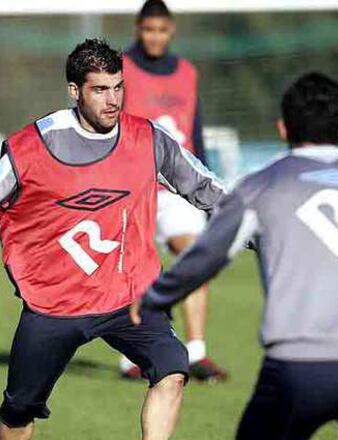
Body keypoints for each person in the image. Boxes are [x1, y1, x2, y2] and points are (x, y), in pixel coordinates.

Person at [0, 39, 224, 440]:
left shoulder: (146, 138)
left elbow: (202, 186)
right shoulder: (33, 145)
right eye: (99, 90)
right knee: (18, 410)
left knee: (174, 368)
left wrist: (254, 225)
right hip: (54, 303)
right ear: (75, 91)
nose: (113, 100)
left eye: (119, 88)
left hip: (127, 295)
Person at [130, 72, 338, 440]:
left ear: (281, 128)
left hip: (296, 365)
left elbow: (206, 255)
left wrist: (155, 298)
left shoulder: (263, 185)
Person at [121, 0, 228, 382]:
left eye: (161, 29)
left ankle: (197, 352)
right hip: (135, 184)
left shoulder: (186, 72)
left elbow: (195, 131)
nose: (154, 36)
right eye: (148, 29)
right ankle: (132, 355)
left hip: (179, 185)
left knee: (196, 255)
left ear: (171, 31)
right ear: (138, 28)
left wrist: (209, 189)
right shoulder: (121, 68)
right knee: (133, 266)